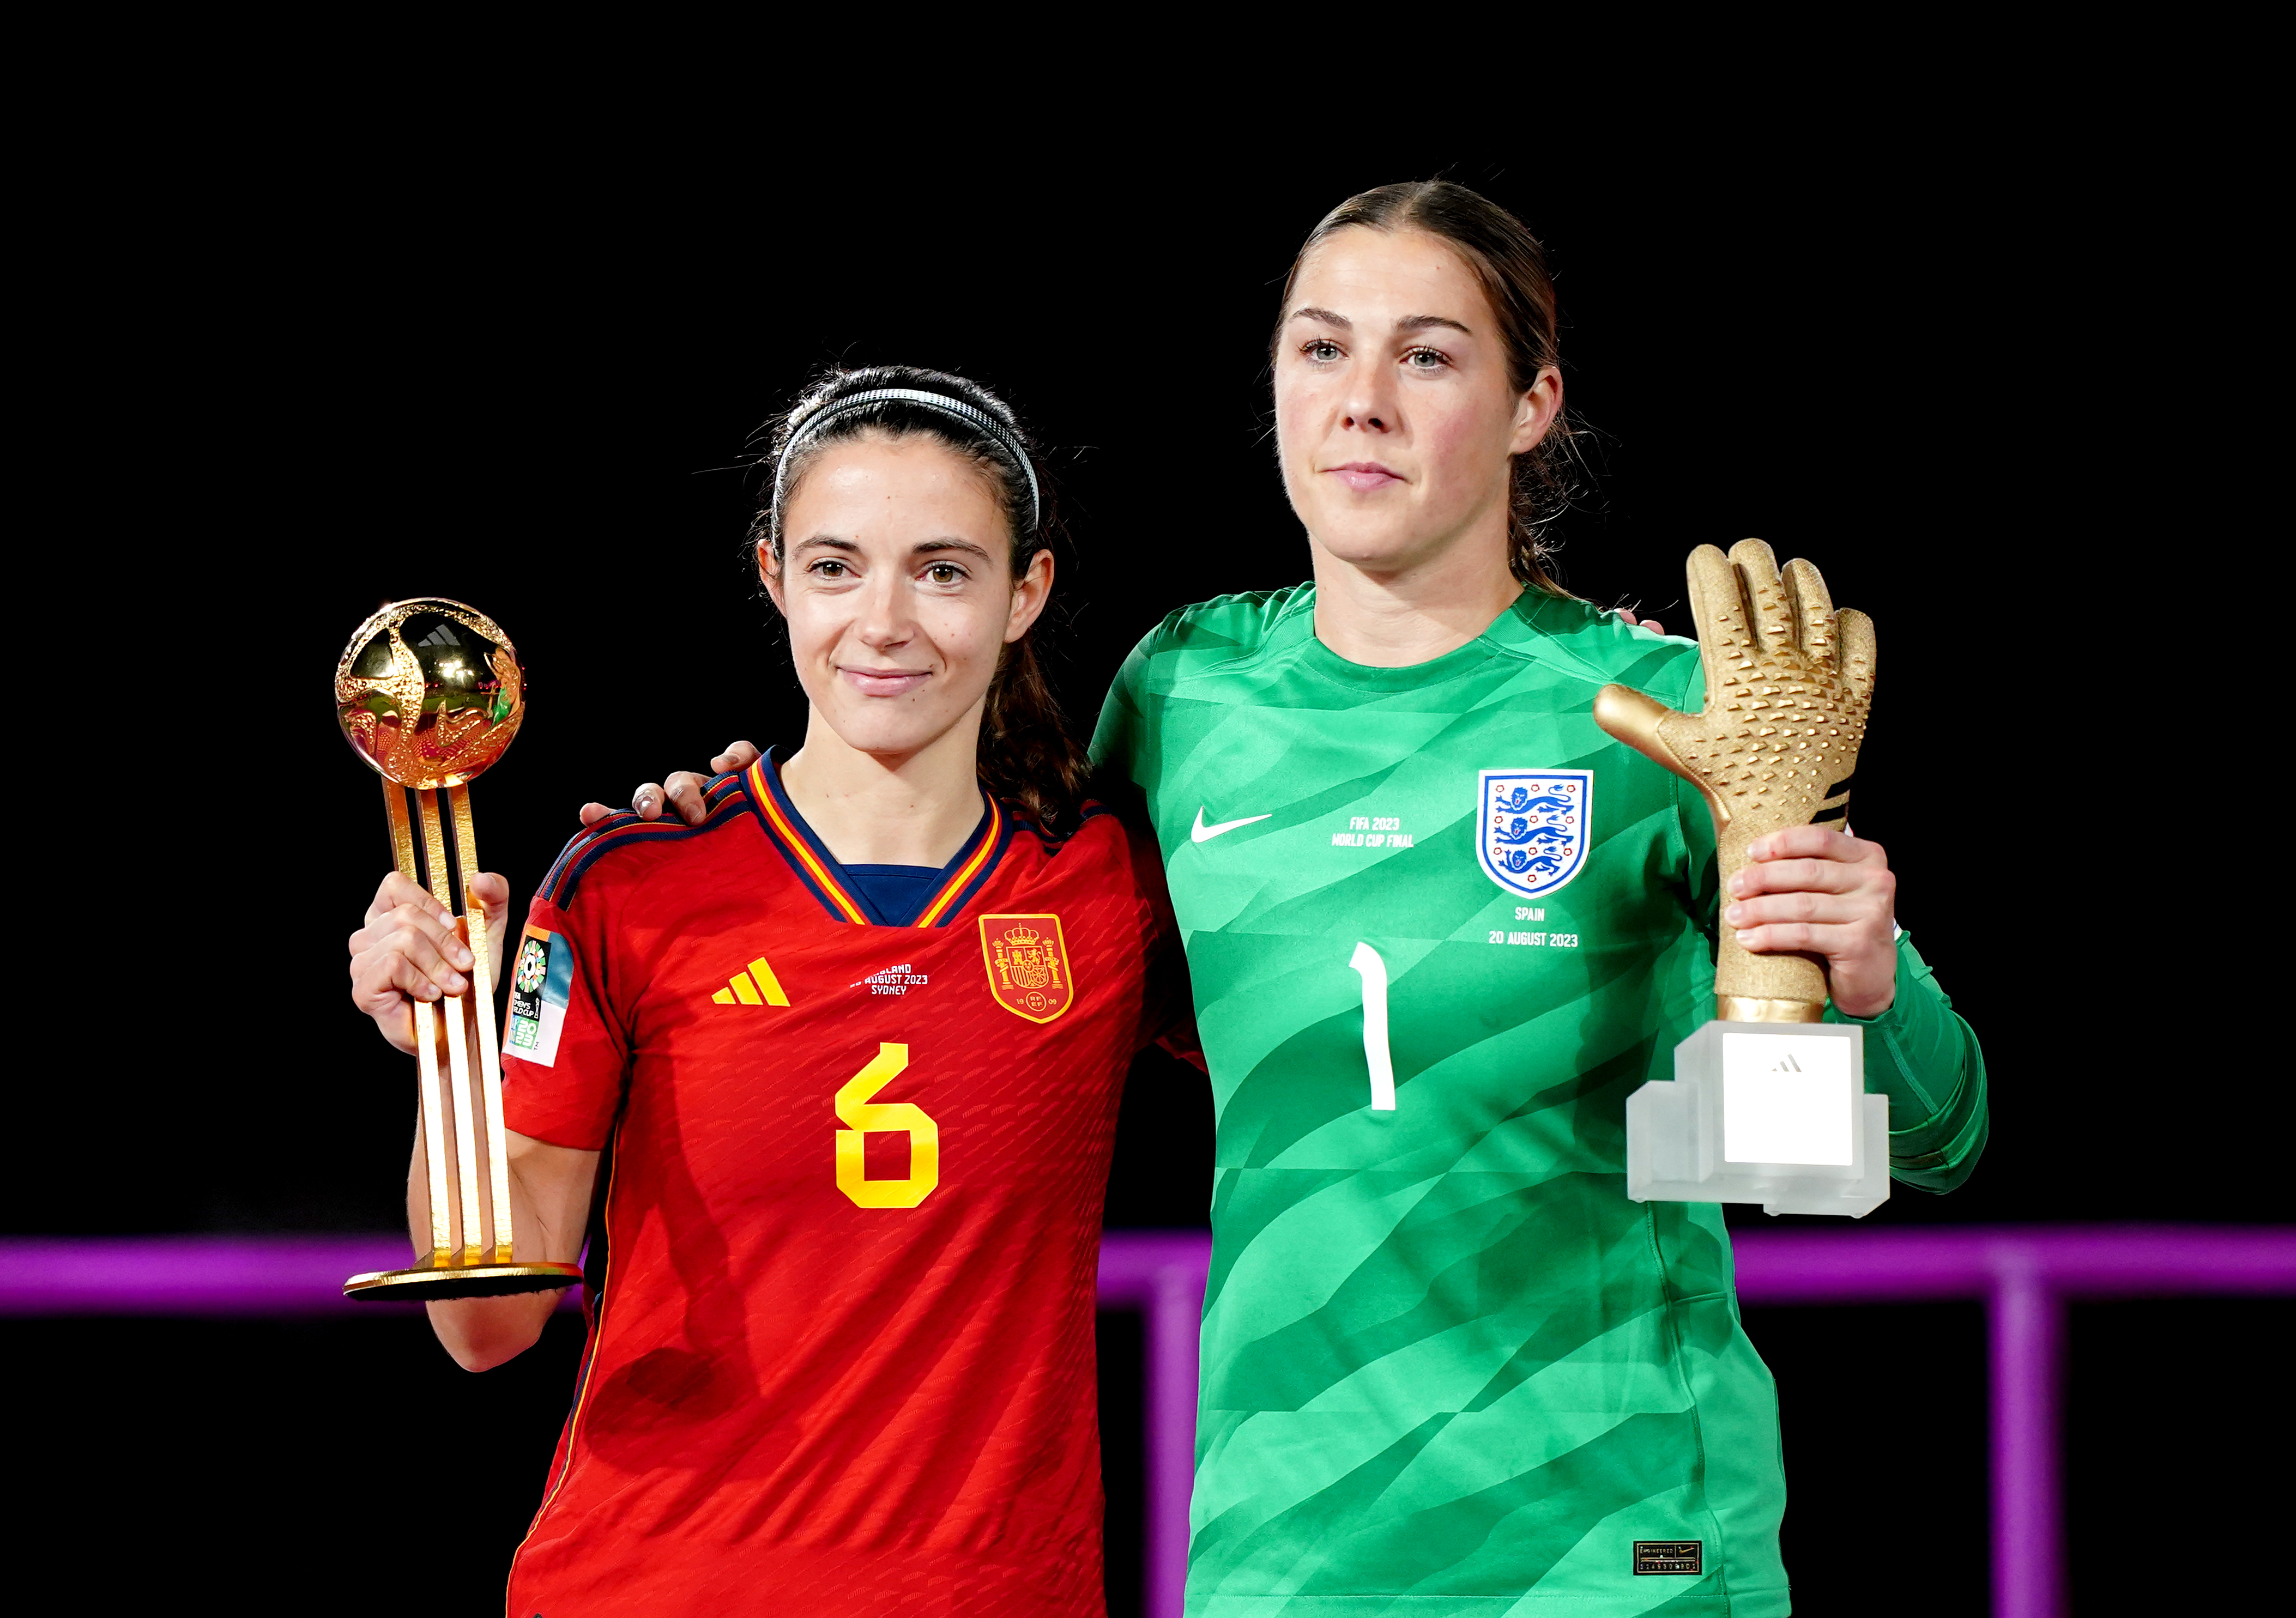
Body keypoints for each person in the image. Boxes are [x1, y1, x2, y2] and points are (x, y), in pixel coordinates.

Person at [626, 183, 1987, 1617]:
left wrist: (1867, 975)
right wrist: (728, 840)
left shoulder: (1657, 719)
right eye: (1322, 350)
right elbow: (995, 961)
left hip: (1613, 1544)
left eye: (1427, 355)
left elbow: (1934, 1136)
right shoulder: (1183, 688)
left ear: (1532, 404)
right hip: (1284, 1553)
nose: (1362, 403)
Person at [347, 367, 1188, 1616]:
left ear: (1029, 593)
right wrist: (448, 1052)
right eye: (837, 566)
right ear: (774, 577)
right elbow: (487, 1330)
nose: (886, 621)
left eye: (944, 570)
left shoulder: (1113, 883)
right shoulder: (628, 884)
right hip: (656, 1588)